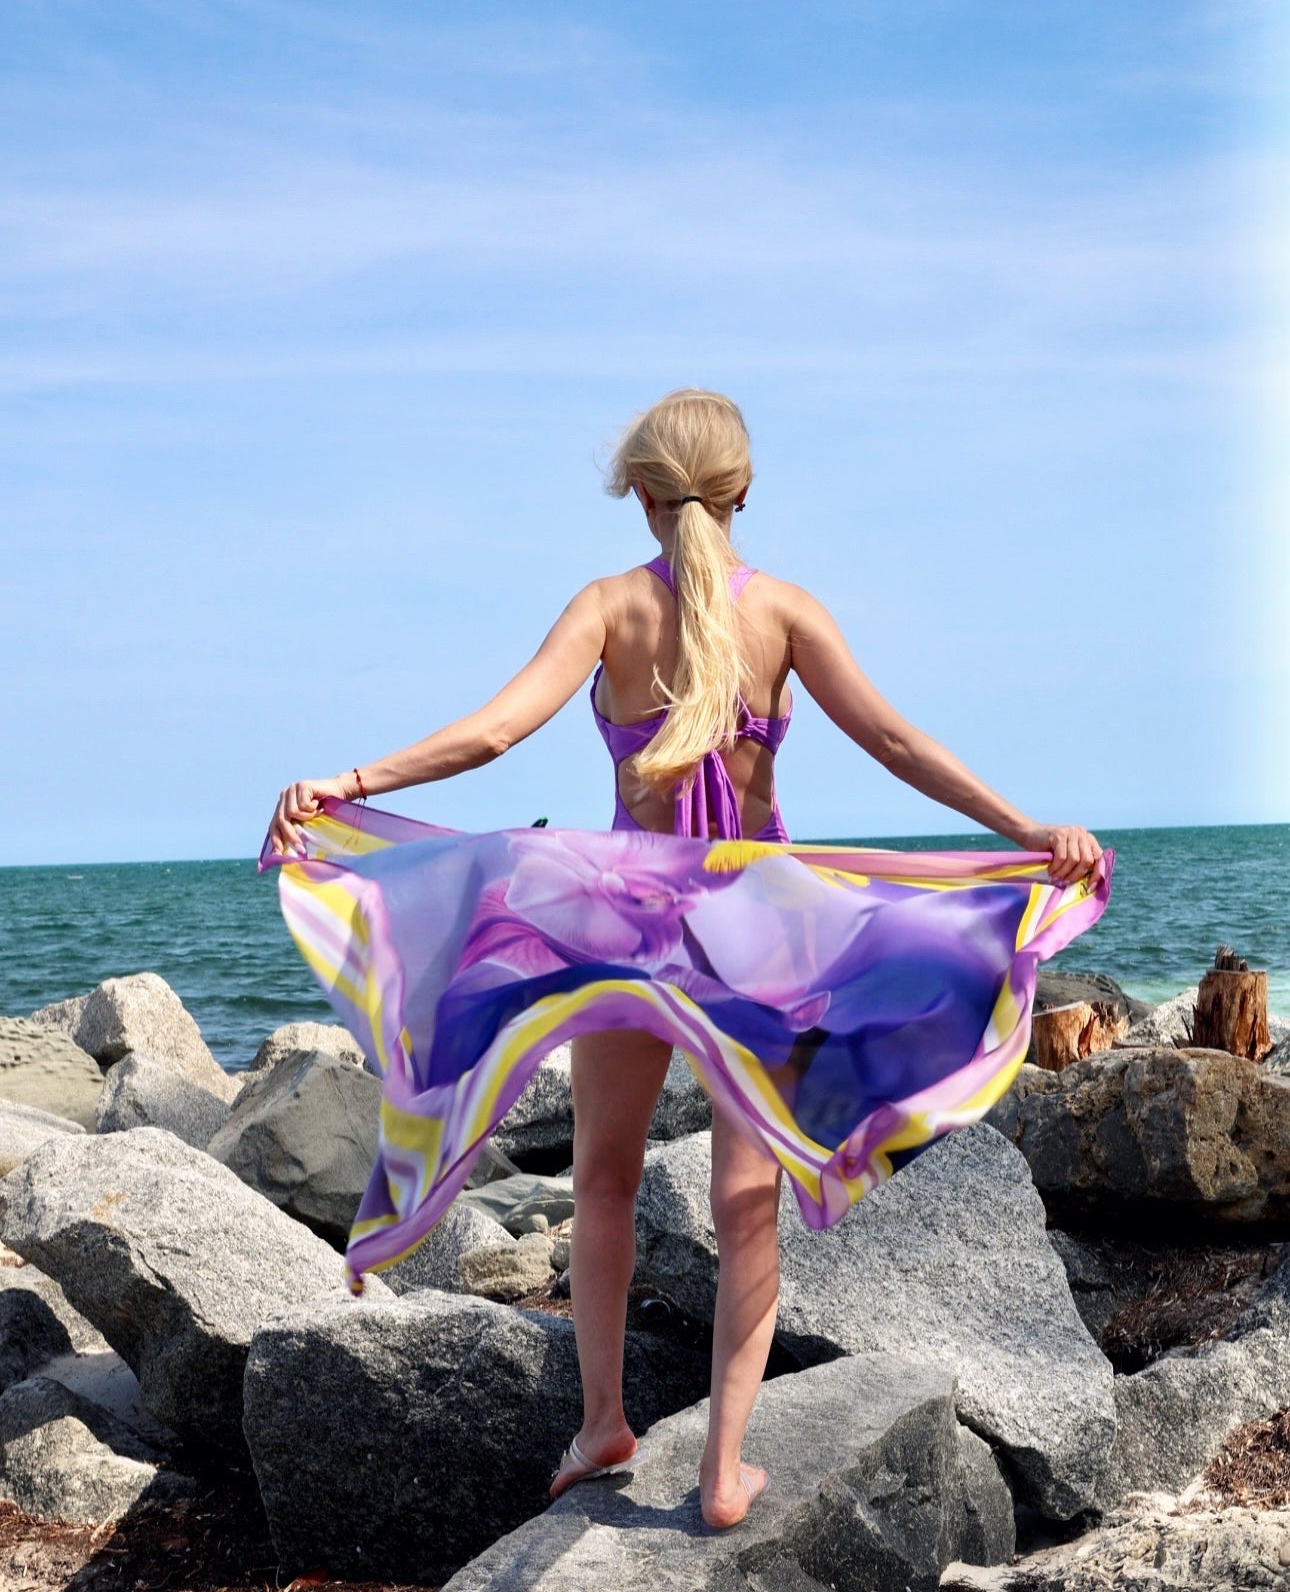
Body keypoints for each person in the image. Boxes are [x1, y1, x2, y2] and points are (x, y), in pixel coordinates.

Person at [268, 387, 1102, 1531]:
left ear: (644, 498)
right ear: (743, 490)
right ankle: (721, 1472)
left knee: (603, 1179)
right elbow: (900, 743)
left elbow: (495, 731)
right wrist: (1026, 833)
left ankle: (602, 1421)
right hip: (759, 933)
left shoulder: (609, 607)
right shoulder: (788, 614)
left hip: (624, 927)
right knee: (746, 1204)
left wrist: (350, 786)